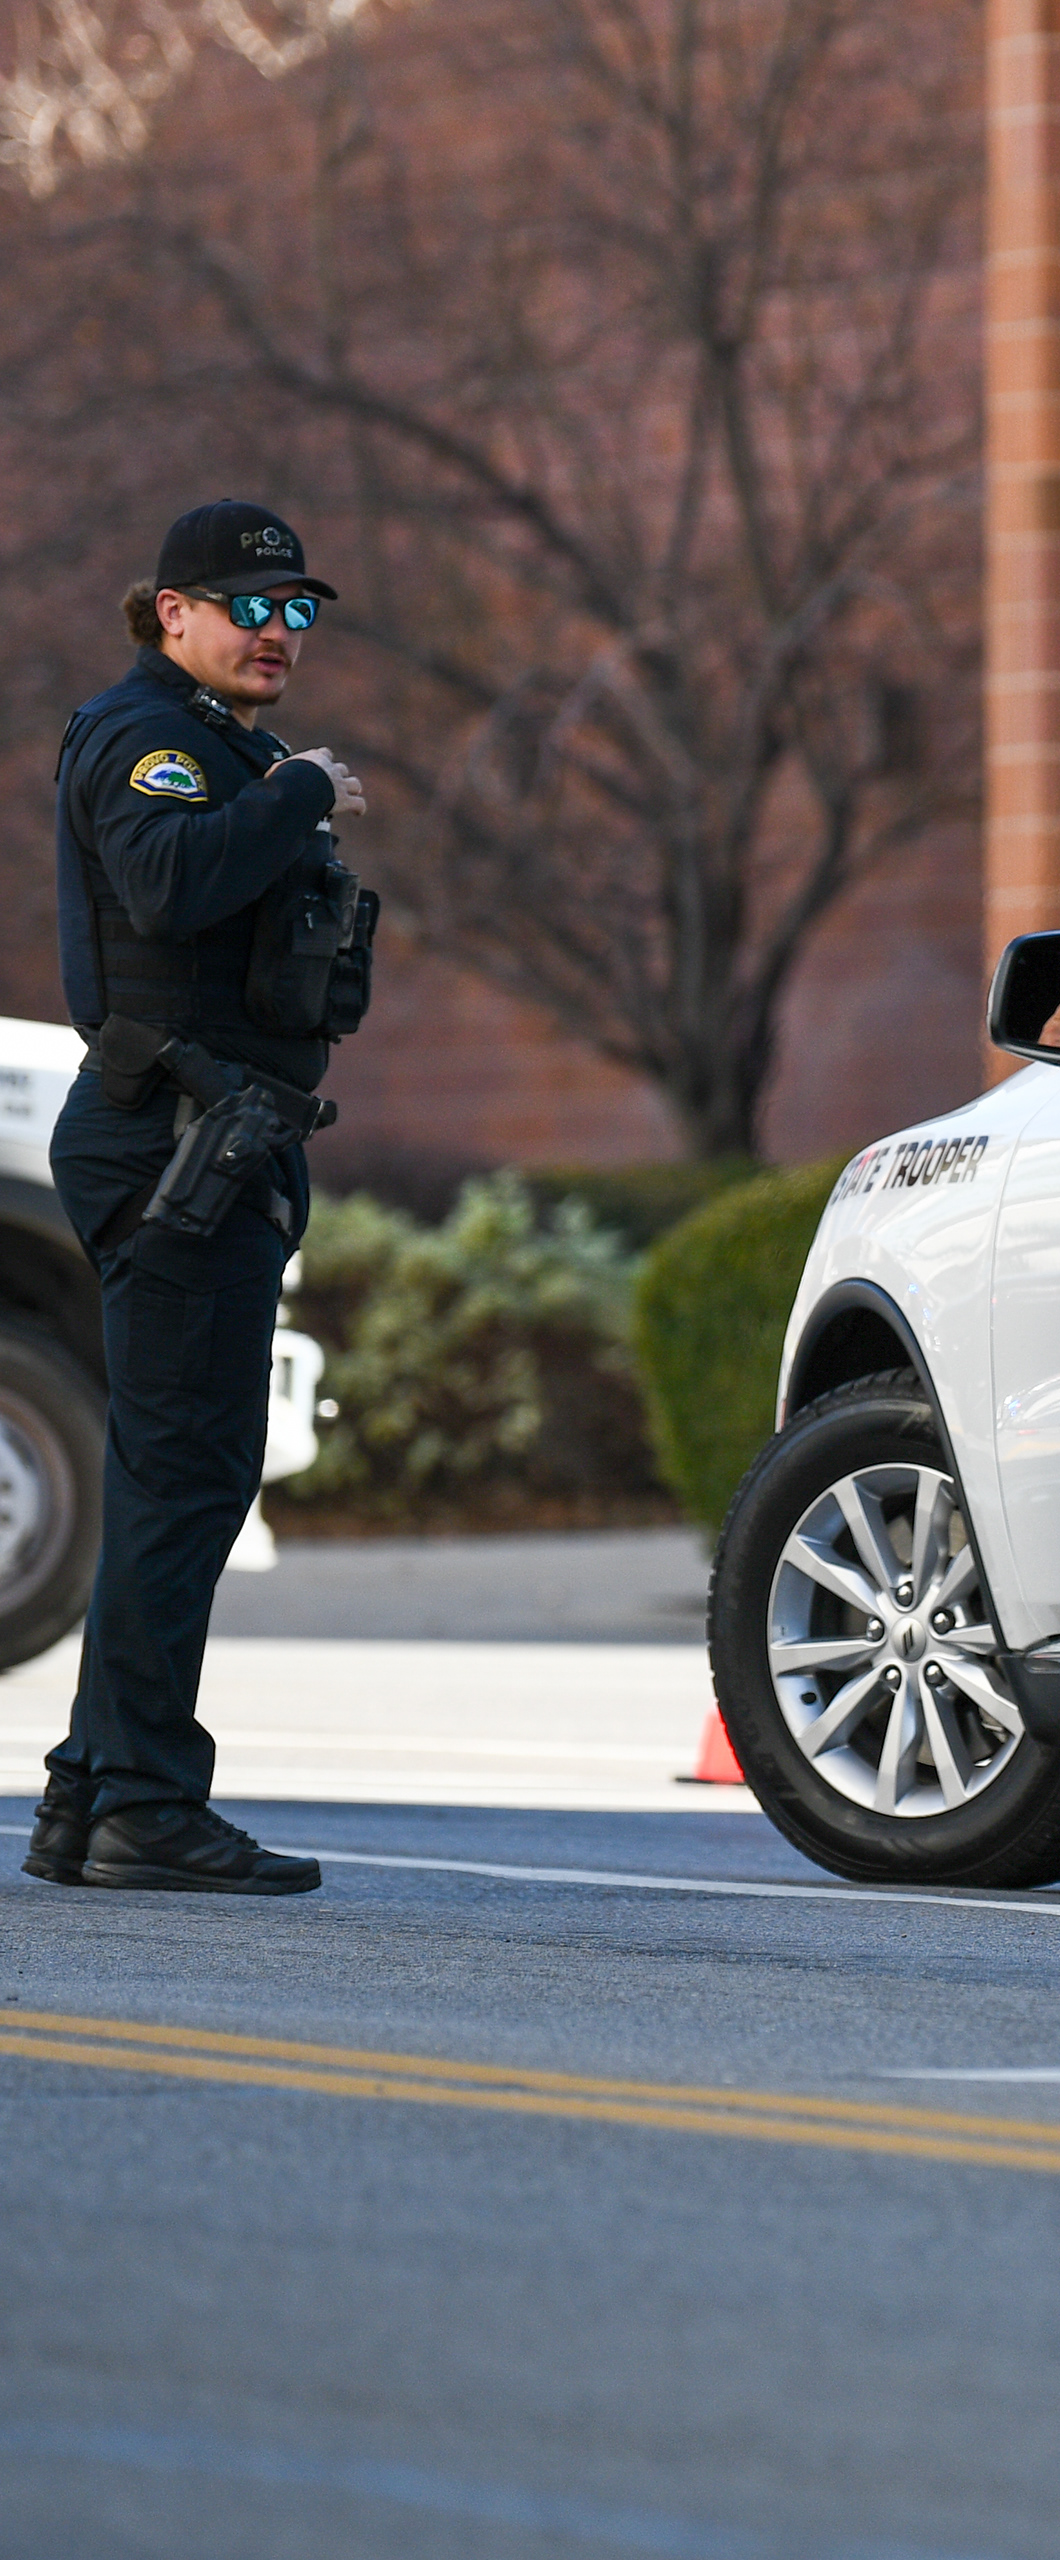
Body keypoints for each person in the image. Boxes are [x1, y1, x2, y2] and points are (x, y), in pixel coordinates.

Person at [22, 500, 373, 1896]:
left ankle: (88, 1796)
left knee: (183, 1479)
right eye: (251, 607)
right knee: (186, 1484)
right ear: (174, 612)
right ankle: (147, 1804)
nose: (280, 633)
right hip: (171, 1144)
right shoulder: (148, 741)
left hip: (213, 1143)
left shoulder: (225, 747)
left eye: (299, 612)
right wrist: (298, 796)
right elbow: (165, 890)